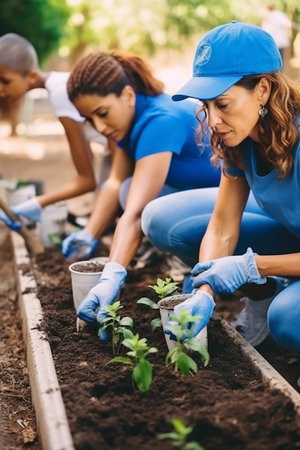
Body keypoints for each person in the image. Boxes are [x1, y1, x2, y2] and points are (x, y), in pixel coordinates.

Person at [141, 20, 300, 352]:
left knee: (288, 319)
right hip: (292, 238)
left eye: (223, 104)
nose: (212, 120)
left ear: (263, 91)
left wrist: (251, 266)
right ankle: (264, 292)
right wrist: (205, 290)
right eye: (206, 106)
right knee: (168, 222)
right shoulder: (239, 140)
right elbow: (222, 227)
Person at [62, 50, 220, 333]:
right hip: (200, 198)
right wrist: (90, 233)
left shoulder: (160, 120)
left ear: (128, 96)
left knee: (154, 216)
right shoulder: (131, 119)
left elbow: (136, 213)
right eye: (89, 120)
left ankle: (238, 284)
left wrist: (112, 274)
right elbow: (114, 183)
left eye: (102, 113)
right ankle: (187, 256)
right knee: (125, 189)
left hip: (237, 206)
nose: (99, 127)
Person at [0, 33, 111, 240]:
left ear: (32, 76)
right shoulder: (60, 82)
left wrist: (38, 203)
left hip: (130, 151)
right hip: (114, 151)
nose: (0, 89)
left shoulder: (61, 93)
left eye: (5, 81)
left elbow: (87, 180)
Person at [261, 3, 292, 69]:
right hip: (274, 44)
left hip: (279, 44)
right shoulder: (267, 19)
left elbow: (288, 24)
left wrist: (289, 34)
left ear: (267, 9)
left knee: (278, 62)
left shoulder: (278, 15)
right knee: (276, 63)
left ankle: (278, 76)